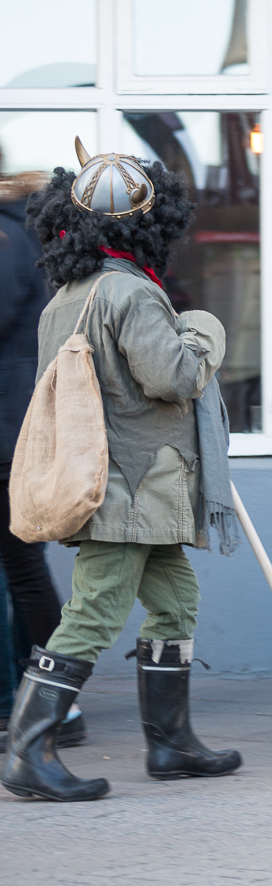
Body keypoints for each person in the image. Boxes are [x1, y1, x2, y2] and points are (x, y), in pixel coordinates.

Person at [3, 141, 242, 802]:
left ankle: (172, 743)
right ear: (149, 221)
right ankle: (28, 753)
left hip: (124, 482)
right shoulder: (133, 293)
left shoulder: (68, 296)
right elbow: (175, 377)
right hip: (136, 486)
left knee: (175, 601)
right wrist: (203, 330)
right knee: (94, 613)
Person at [0, 169, 83, 750]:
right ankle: (53, 703)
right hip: (23, 428)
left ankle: (31, 704)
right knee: (25, 571)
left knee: (21, 574)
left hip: (5, 432)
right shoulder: (28, 234)